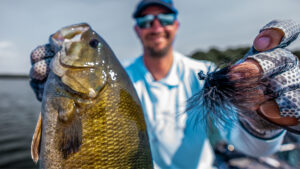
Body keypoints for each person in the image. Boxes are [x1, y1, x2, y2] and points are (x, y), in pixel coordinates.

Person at [29, 0, 300, 168]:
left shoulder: (204, 74)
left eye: (165, 18)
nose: (156, 26)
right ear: (137, 29)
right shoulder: (118, 74)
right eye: (146, 20)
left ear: (176, 25)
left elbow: (254, 148)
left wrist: (261, 120)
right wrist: (54, 106)